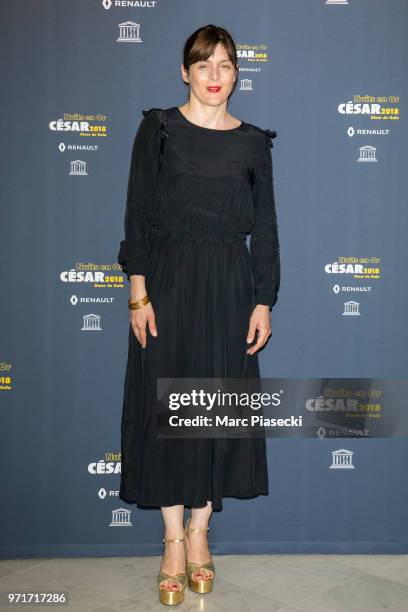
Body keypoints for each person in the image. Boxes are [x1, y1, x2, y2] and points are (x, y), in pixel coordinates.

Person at [117, 24, 280, 606]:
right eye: (203, 64)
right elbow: (137, 211)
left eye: (226, 65)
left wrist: (263, 299)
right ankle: (170, 541)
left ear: (238, 74)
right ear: (184, 72)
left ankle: (200, 532)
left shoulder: (254, 142)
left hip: (229, 287)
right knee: (164, 405)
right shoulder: (158, 129)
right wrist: (138, 290)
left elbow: (264, 228)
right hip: (166, 280)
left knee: (212, 409)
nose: (215, 76)